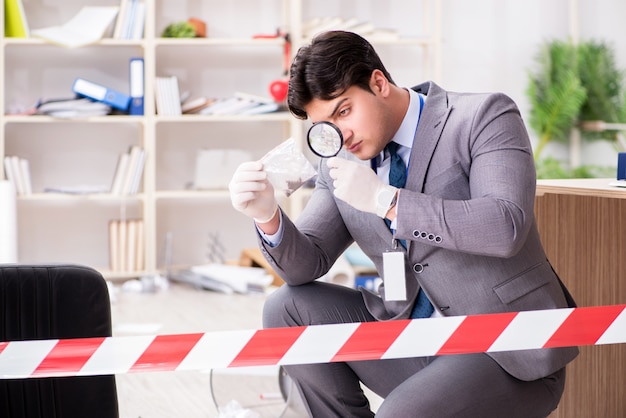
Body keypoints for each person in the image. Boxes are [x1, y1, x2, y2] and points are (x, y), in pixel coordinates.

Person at [228, 30, 578, 418]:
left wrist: (388, 201)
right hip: (412, 343)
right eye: (324, 125)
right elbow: (305, 264)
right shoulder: (341, 162)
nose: (339, 135)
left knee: (400, 414)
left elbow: (505, 226)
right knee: (287, 308)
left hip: (504, 350)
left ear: (378, 83)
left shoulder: (482, 116)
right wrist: (267, 215)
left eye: (344, 111)